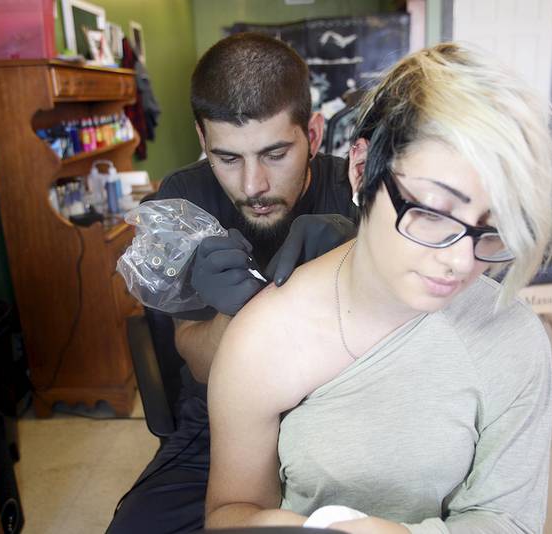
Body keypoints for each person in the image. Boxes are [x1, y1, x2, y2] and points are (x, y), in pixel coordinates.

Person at [206, 43, 552, 533]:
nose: (461, 261)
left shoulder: (511, 338)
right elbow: (230, 513)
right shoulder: (263, 339)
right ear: (360, 168)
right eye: (434, 213)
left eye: (493, 227)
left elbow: (509, 520)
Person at [107, 33, 358, 534]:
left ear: (313, 131)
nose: (253, 186)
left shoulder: (357, 187)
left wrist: (356, 254)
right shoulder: (184, 200)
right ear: (203, 141)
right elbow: (199, 364)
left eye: (275, 153)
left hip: (343, 417)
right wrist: (237, 313)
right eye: (228, 158)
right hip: (219, 425)